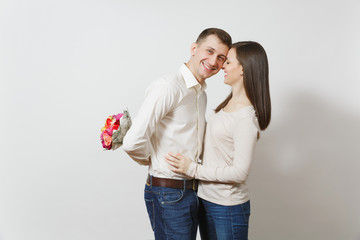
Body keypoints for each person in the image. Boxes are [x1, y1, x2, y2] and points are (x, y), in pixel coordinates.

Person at [122, 28, 232, 239]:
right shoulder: (168, 87)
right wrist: (153, 160)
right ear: (193, 48)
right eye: (209, 51)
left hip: (193, 189)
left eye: (221, 57)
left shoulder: (201, 94)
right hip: (169, 192)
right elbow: (133, 141)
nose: (213, 61)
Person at [165, 41, 271, 240]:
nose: (222, 66)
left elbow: (240, 172)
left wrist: (192, 169)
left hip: (228, 208)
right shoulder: (228, 104)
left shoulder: (245, 117)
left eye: (228, 62)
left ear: (243, 69)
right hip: (206, 201)